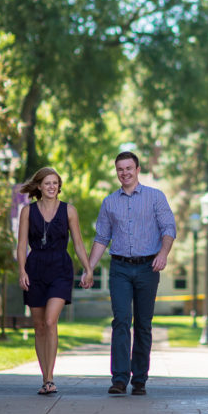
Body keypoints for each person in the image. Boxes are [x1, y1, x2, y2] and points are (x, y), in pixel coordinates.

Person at [83, 151, 176, 396]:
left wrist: (163, 254)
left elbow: (169, 227)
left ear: (137, 170)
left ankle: (140, 379)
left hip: (148, 267)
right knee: (121, 321)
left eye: (128, 168)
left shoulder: (156, 197)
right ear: (117, 172)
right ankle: (120, 379)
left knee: (143, 324)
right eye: (120, 169)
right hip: (120, 268)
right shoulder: (109, 202)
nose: (124, 173)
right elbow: (102, 238)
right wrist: (89, 268)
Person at [17, 167, 92, 395]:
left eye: (55, 183)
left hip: (60, 267)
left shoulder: (69, 211)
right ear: (39, 186)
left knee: (50, 321)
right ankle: (45, 379)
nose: (52, 187)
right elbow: (21, 245)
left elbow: (78, 243)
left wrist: (88, 269)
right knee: (39, 326)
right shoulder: (27, 212)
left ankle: (50, 378)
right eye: (47, 183)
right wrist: (22, 271)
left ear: (59, 187)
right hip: (35, 266)